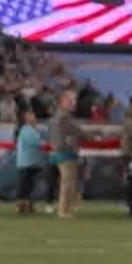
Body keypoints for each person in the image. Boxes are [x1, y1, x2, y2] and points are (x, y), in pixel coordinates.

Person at [49, 90, 86, 218]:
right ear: (63, 101)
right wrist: (93, 137)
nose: (73, 103)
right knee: (67, 182)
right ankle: (64, 210)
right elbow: (75, 130)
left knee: (69, 182)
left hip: (64, 151)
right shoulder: (63, 117)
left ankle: (67, 208)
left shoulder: (61, 116)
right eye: (70, 101)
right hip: (65, 151)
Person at [15, 110, 45, 214]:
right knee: (26, 185)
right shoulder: (26, 130)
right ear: (27, 119)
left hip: (32, 162)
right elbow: (35, 142)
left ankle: (26, 204)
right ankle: (23, 205)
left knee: (29, 185)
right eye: (32, 116)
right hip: (26, 162)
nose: (35, 118)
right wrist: (44, 143)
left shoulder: (32, 130)